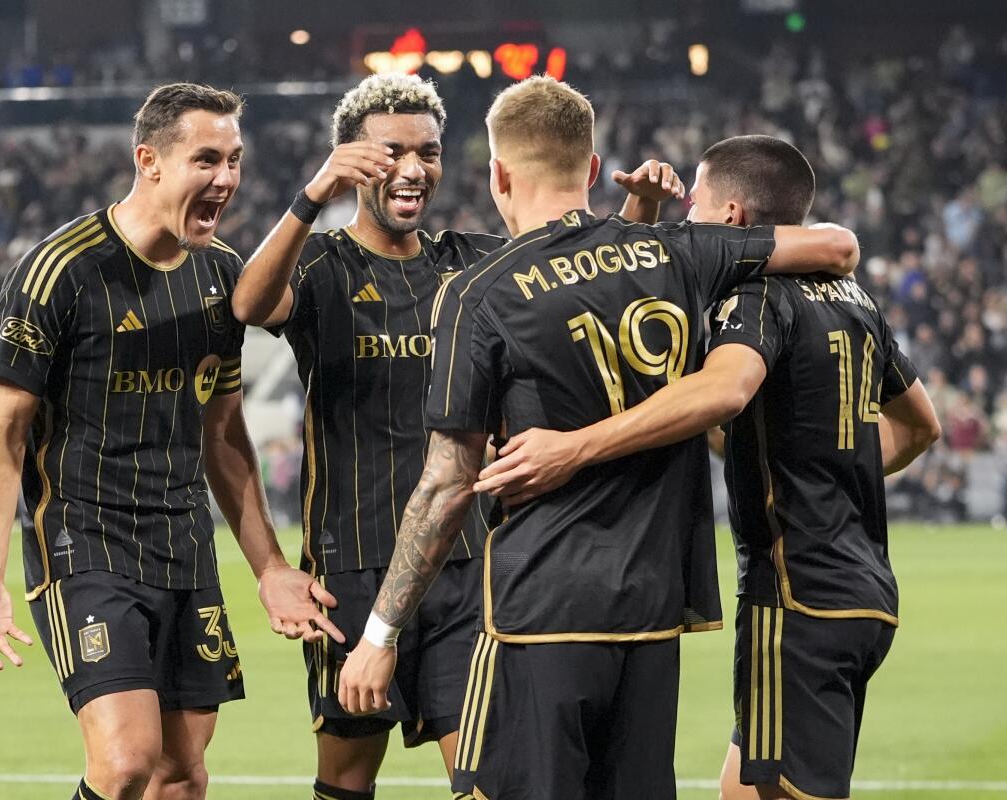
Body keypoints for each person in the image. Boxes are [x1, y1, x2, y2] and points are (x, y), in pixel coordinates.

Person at [338, 78, 864, 800]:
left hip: (538, 611)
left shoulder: (479, 291)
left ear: (498, 174)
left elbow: (447, 483)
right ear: (590, 170)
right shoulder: (681, 253)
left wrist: (380, 634)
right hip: (652, 614)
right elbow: (837, 247)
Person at [232, 72, 684, 800]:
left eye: (429, 152)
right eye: (391, 152)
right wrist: (312, 198)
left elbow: (576, 271)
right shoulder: (321, 263)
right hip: (350, 566)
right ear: (351, 159)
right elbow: (250, 304)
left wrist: (640, 210)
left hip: (469, 564)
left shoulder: (469, 262)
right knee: (345, 775)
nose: (413, 169)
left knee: (480, 776)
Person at [470, 135, 942, 800]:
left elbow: (722, 393)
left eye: (696, 203)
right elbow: (922, 425)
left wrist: (574, 446)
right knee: (740, 790)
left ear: (733, 220)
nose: (687, 217)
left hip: (798, 596)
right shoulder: (854, 301)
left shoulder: (757, 297)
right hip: (863, 589)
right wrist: (826, 468)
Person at [0, 83, 340, 800]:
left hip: (184, 545)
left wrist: (270, 567)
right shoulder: (60, 271)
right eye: (207, 160)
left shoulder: (222, 274)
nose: (226, 179)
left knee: (181, 775)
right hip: (84, 543)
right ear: (148, 160)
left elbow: (223, 437)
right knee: (127, 762)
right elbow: (4, 430)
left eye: (235, 161)